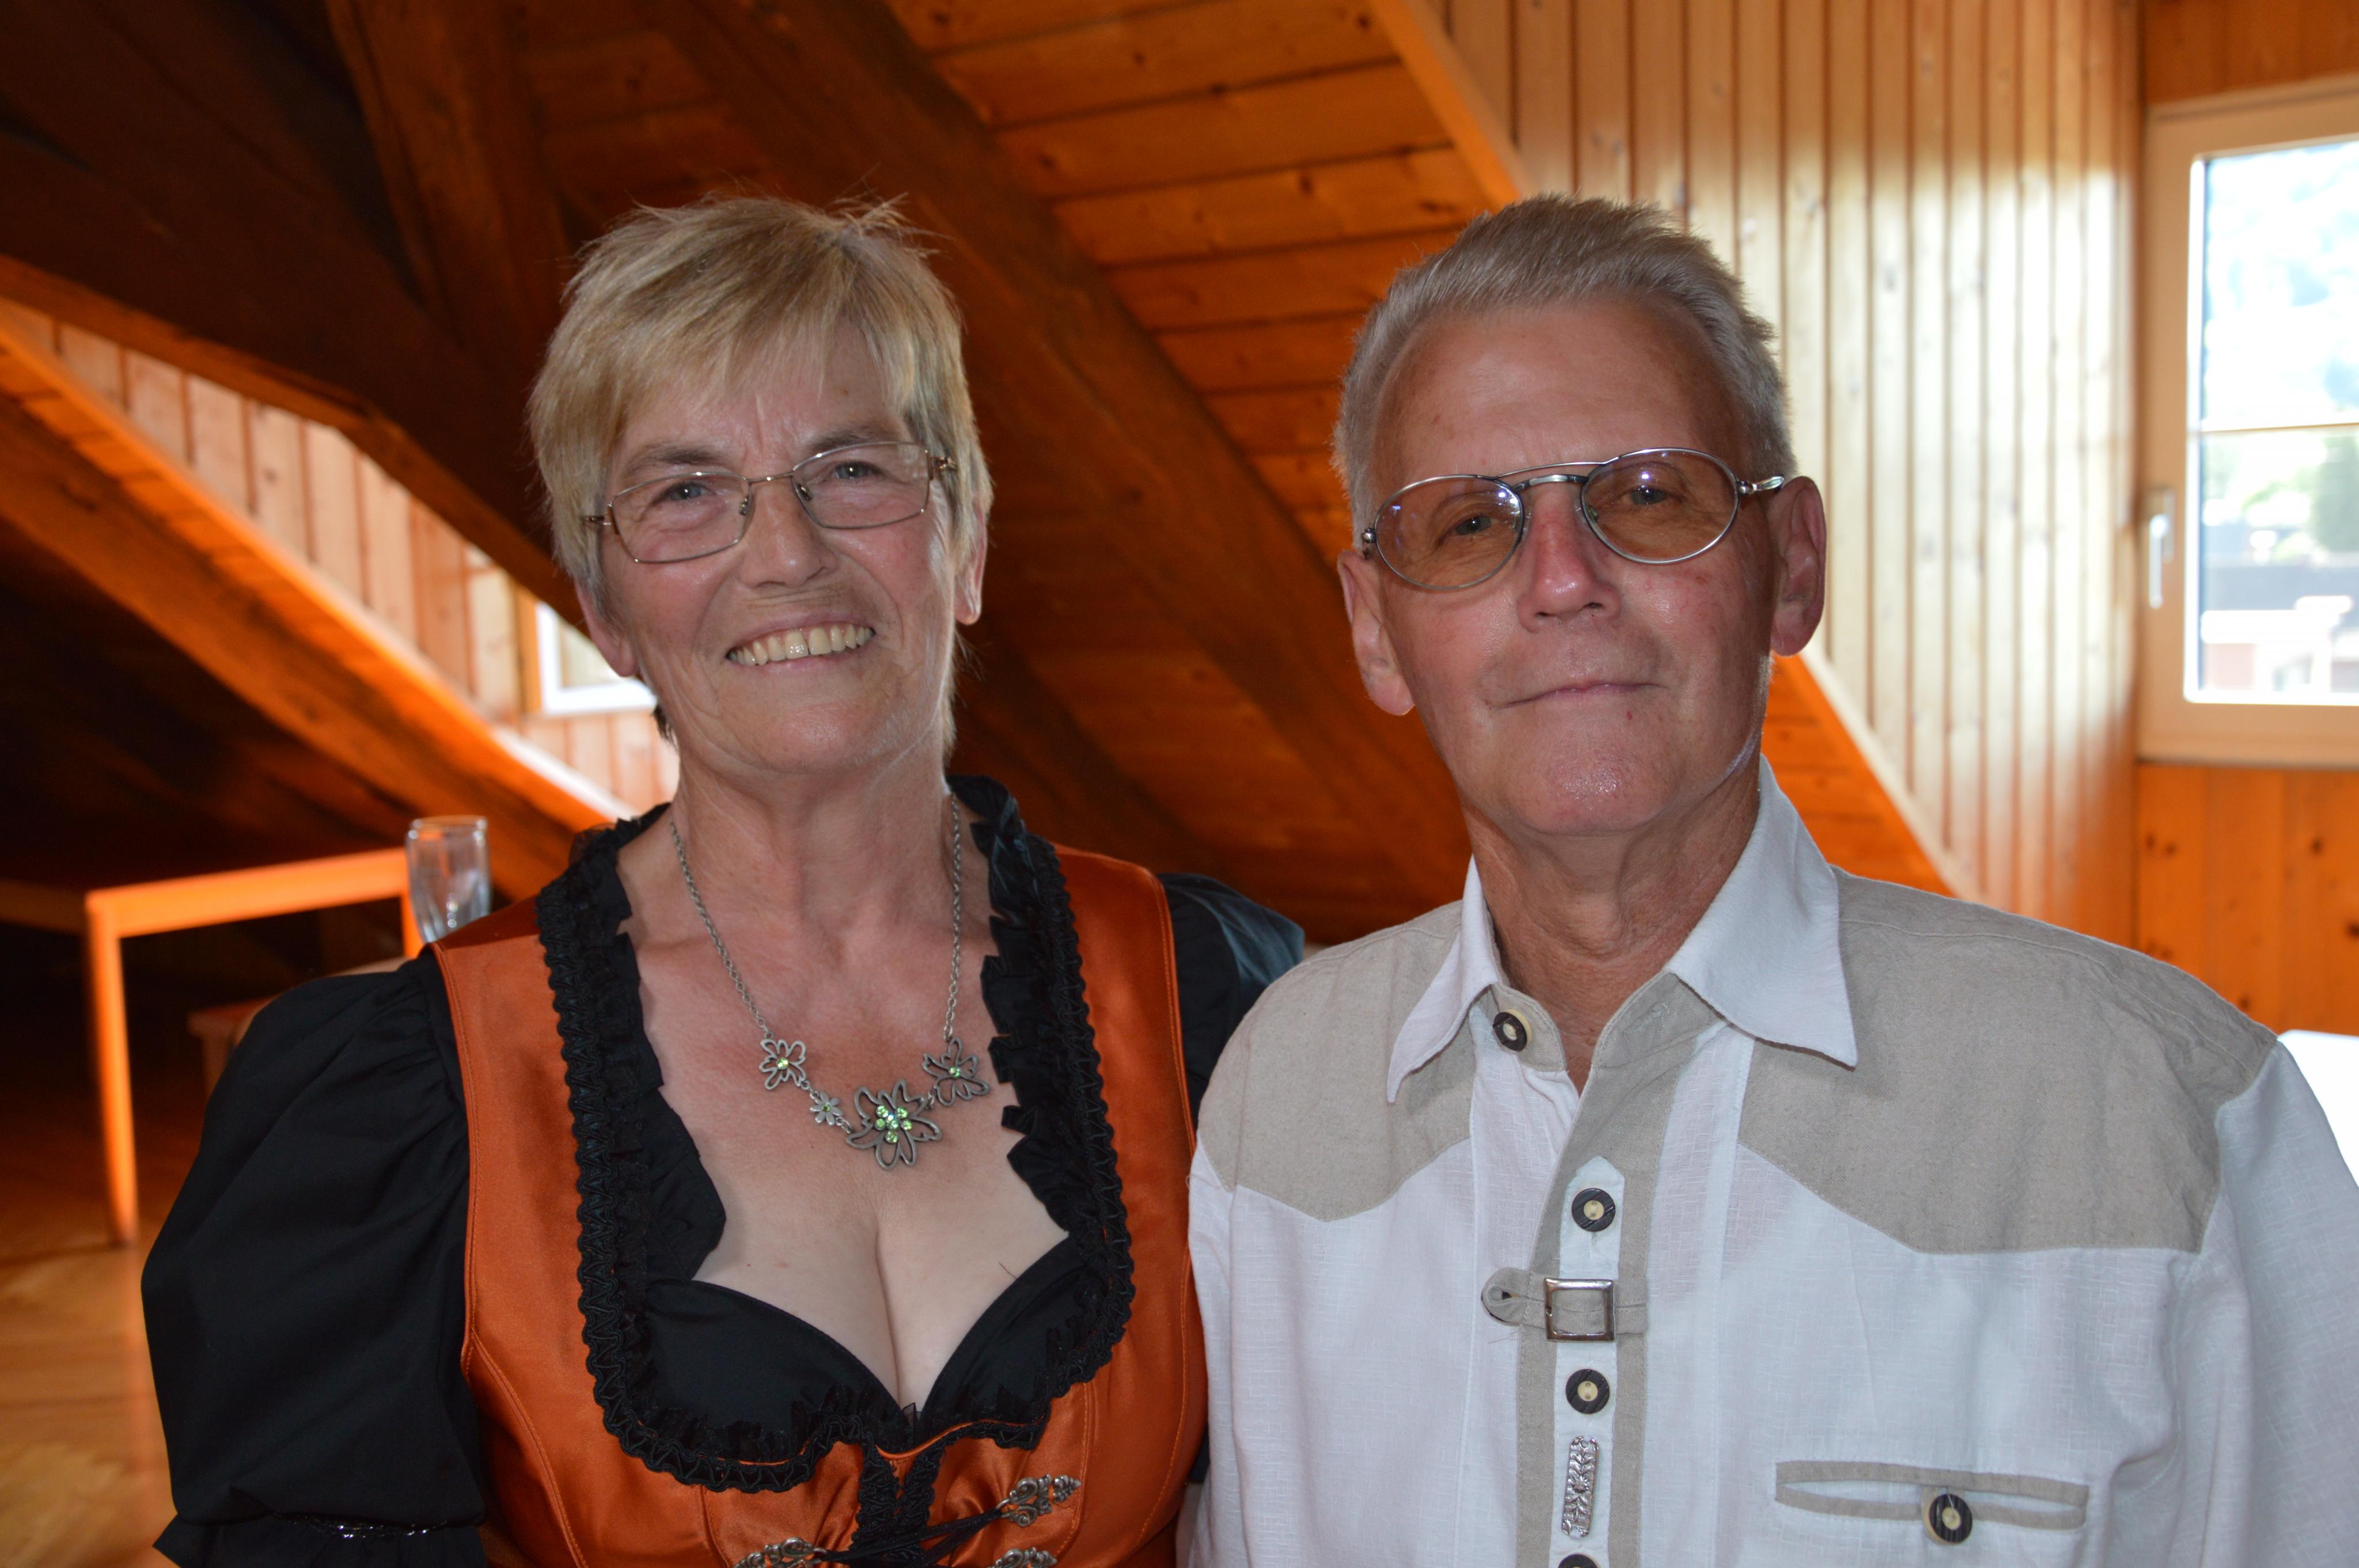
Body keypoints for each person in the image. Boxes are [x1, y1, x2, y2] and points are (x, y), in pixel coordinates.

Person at [1188, 195, 2359, 1566]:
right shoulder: (1278, 1102)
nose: (1561, 580)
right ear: (1375, 632)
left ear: (1789, 565)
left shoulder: (2170, 1123)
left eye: (1645, 495)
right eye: (1465, 524)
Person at [143, 196, 1299, 1568]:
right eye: (685, 492)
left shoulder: (1205, 997)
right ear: (606, 610)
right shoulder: (414, 1095)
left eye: (850, 469)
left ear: (967, 542)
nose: (786, 552)